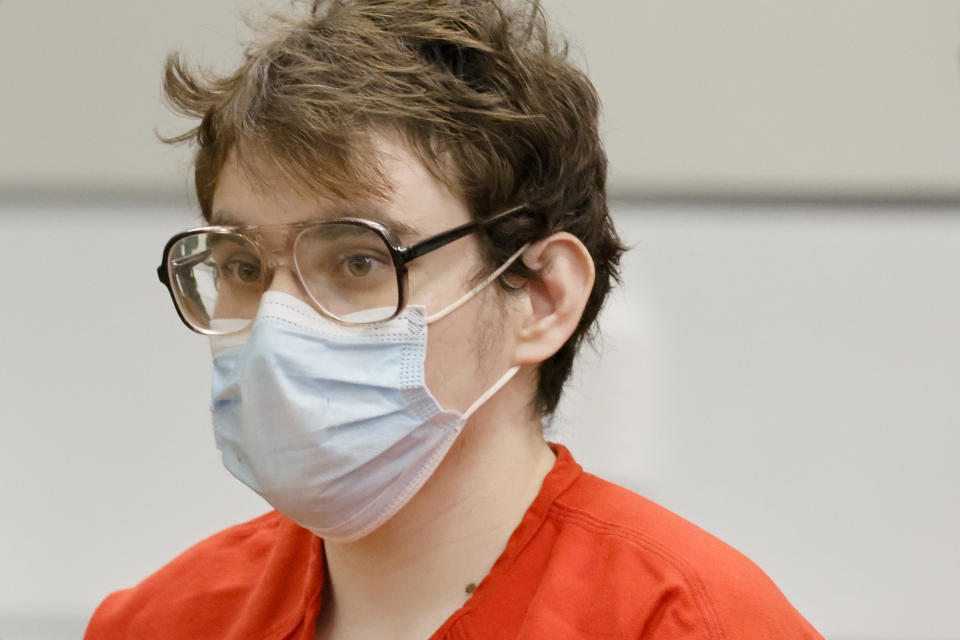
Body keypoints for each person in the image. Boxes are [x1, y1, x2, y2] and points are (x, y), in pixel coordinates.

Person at [85, 1, 824, 638]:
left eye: (358, 261)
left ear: (541, 297)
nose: (279, 323)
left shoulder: (685, 620)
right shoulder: (164, 621)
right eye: (243, 267)